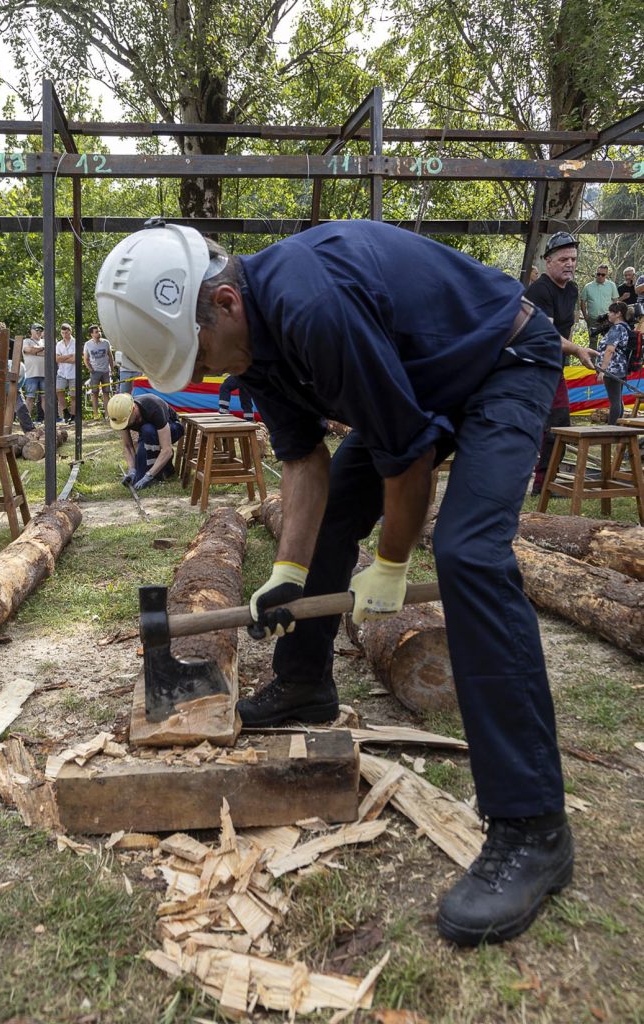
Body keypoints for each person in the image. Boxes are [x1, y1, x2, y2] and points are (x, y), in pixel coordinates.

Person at [97, 219, 575, 948]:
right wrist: (287, 571)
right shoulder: (249, 342)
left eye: (203, 354)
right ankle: (304, 683)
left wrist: (389, 562)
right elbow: (302, 463)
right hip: (421, 382)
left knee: (469, 552)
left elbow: (406, 455)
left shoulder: (310, 306)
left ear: (224, 304)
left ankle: (531, 826)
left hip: (504, 361)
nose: (212, 371)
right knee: (319, 529)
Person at [526, 232, 597, 496]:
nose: (570, 263)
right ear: (548, 261)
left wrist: (574, 353)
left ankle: (543, 484)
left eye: (574, 259)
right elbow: (545, 336)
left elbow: (564, 333)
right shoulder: (539, 290)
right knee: (525, 426)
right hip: (527, 367)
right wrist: (578, 349)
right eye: (564, 258)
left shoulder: (573, 289)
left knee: (559, 424)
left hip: (554, 366)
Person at [107, 391, 183, 489]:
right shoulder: (122, 414)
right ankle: (167, 469)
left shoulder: (153, 408)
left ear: (134, 409)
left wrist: (149, 475)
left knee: (147, 430)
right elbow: (128, 446)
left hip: (173, 427)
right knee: (137, 477)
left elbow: (167, 450)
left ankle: (158, 474)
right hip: (150, 433)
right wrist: (132, 470)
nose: (125, 426)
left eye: (127, 422)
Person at [596, 301, 630, 424]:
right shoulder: (625, 327)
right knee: (618, 399)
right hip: (620, 368)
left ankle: (611, 428)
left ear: (618, 314)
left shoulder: (617, 328)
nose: (609, 314)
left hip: (612, 369)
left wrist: (602, 370)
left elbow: (610, 350)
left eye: (611, 312)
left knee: (614, 401)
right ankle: (618, 426)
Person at [83, 324, 115, 418]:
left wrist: (112, 368)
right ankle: (96, 414)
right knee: (95, 393)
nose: (99, 333)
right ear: (91, 334)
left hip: (106, 371)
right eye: (96, 332)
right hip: (95, 372)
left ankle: (107, 414)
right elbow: (85, 359)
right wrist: (90, 369)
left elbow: (110, 355)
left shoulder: (106, 342)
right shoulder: (88, 344)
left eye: (99, 331)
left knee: (106, 392)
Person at [580, 264, 619, 341]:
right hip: (593, 319)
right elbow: (582, 302)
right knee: (593, 342)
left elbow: (615, 301)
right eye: (598, 274)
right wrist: (585, 316)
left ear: (606, 275)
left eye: (603, 274)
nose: (600, 276)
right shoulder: (588, 286)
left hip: (607, 319)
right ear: (596, 274)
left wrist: (614, 316)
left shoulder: (611, 285)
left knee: (609, 341)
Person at [22, 323, 45, 421]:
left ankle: (48, 419)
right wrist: (42, 349)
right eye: (37, 330)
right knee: (30, 398)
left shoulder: (45, 341)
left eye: (40, 330)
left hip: (45, 374)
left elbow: (49, 353)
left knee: (45, 398)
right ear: (31, 331)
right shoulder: (26, 341)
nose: (39, 332)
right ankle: (27, 420)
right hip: (31, 374)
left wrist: (35, 352)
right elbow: (28, 349)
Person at [56, 323, 77, 422]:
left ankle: (73, 415)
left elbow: (75, 360)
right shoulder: (59, 344)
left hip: (73, 373)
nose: (65, 334)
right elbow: (57, 358)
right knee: (59, 391)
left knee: (74, 395)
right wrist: (69, 356)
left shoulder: (75, 342)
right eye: (63, 332)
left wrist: (63, 358)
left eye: (66, 332)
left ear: (70, 331)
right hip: (62, 372)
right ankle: (65, 412)